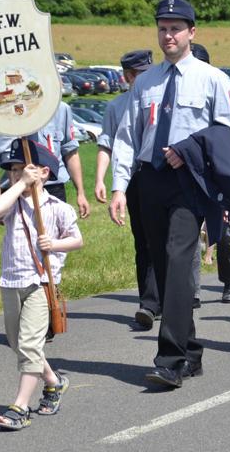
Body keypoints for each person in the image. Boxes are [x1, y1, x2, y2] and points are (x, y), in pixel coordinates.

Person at [109, 0, 230, 388]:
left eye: (175, 29)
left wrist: (192, 151)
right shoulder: (146, 82)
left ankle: (169, 359)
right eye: (162, 28)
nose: (168, 35)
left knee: (178, 257)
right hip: (149, 179)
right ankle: (191, 351)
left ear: (192, 32)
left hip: (190, 181)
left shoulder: (212, 79)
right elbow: (127, 137)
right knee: (165, 267)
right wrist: (119, 187)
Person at [0, 140, 82, 431]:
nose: (16, 174)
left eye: (23, 169)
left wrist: (53, 244)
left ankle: (20, 407)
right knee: (17, 343)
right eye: (13, 170)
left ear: (44, 172)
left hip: (41, 284)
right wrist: (19, 184)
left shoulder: (58, 208)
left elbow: (77, 240)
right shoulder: (13, 203)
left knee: (30, 344)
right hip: (11, 281)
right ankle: (54, 382)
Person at [94, 50, 159, 329]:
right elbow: (106, 145)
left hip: (160, 176)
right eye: (140, 75)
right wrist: (100, 179)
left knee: (164, 239)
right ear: (128, 77)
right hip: (132, 179)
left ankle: (167, 297)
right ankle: (148, 303)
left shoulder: (159, 99)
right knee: (142, 241)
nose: (145, 79)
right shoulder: (116, 107)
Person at [188, 43, 230, 304]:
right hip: (190, 172)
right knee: (189, 233)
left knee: (225, 231)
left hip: (218, 172)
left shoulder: (219, 89)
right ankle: (192, 290)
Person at [0, 101, 90, 216]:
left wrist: (80, 193)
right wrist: (14, 193)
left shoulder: (61, 109)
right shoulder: (12, 108)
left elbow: (70, 151)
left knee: (55, 225)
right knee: (23, 226)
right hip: (22, 185)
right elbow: (8, 157)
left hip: (54, 185)